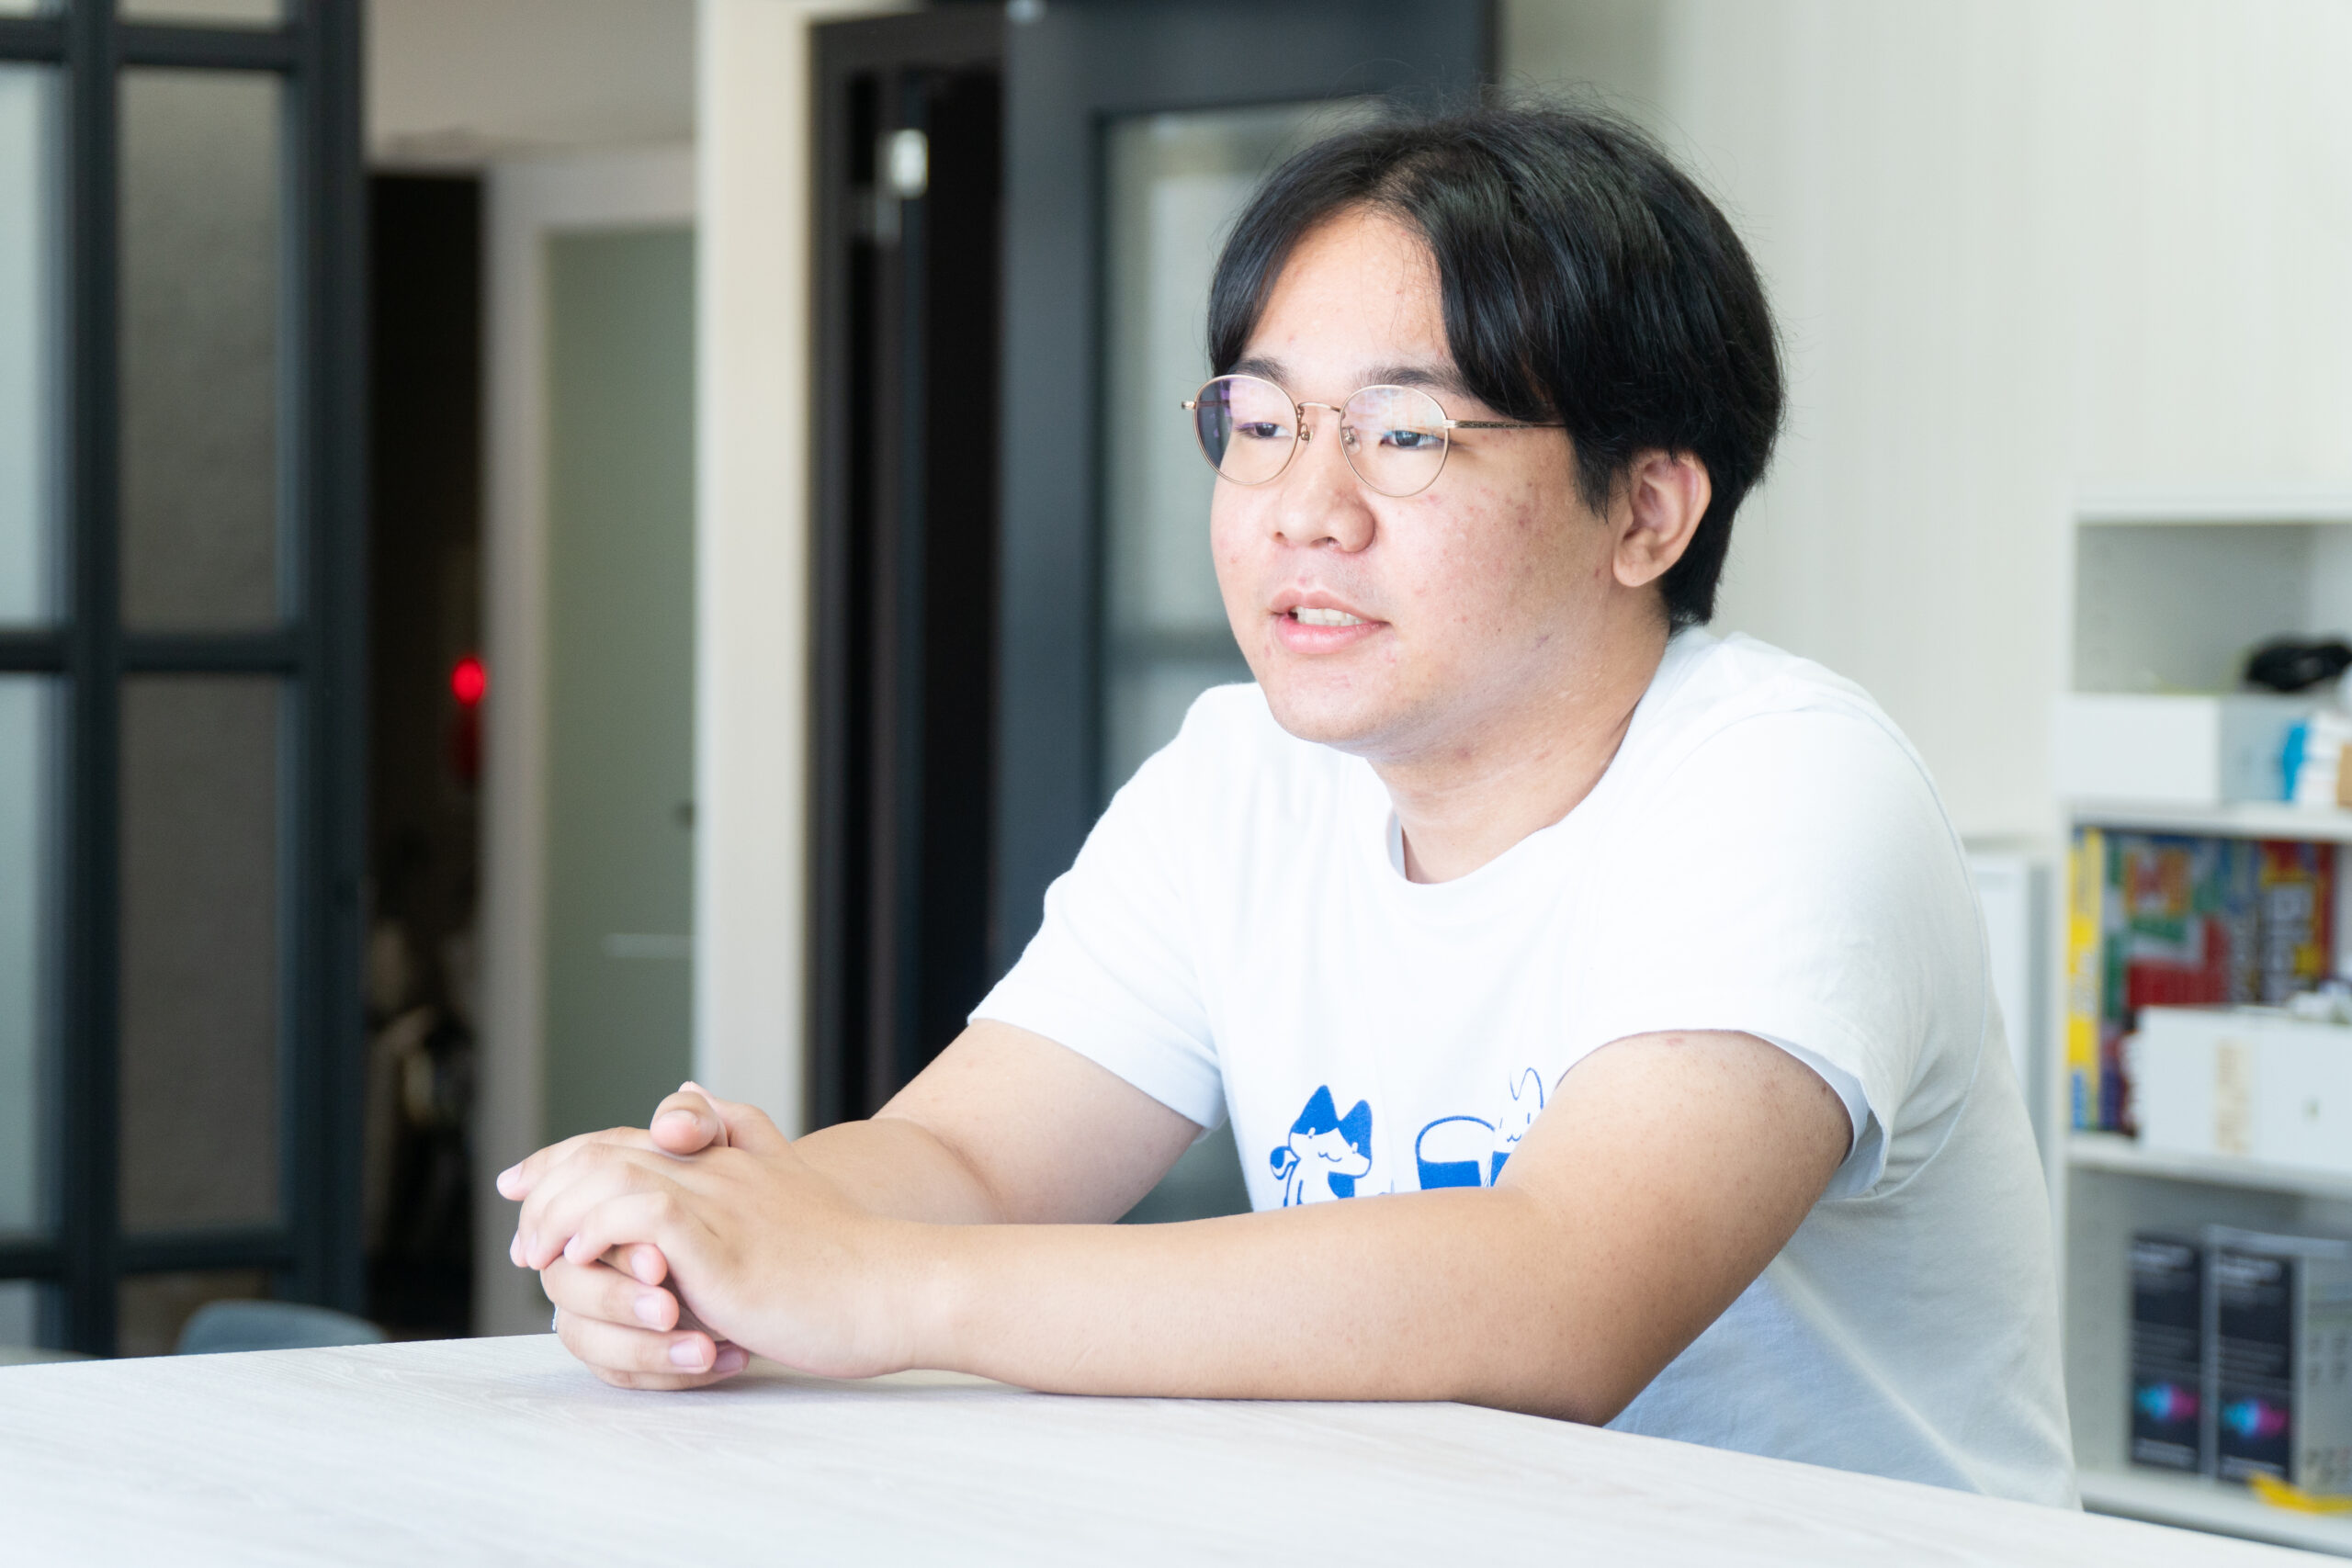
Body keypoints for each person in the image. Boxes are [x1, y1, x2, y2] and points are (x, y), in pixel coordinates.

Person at [500, 102, 2075, 1505]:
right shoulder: (1240, 775)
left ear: (1647, 512)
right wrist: (703, 1232)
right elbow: (969, 1163)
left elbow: (1561, 1298)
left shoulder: (1786, 781)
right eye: (1260, 427)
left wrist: (872, 1288)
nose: (1303, 510)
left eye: (1405, 436)